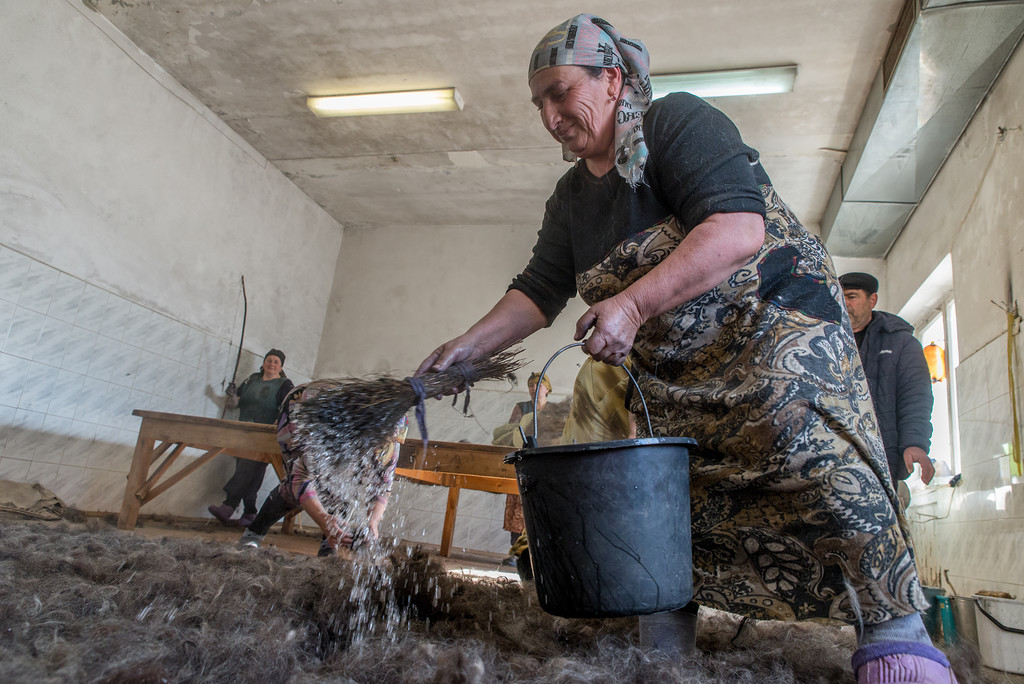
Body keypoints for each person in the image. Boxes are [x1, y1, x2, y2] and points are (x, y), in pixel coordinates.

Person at [417, 15, 956, 683]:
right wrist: (463, 350)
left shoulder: (674, 124)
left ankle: (897, 648)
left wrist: (634, 303)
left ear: (613, 80)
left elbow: (737, 227)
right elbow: (538, 290)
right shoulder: (570, 202)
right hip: (679, 382)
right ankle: (661, 661)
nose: (551, 115)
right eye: (540, 104)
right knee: (670, 510)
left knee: (825, 482)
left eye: (561, 92)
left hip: (773, 352)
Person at [239, 382, 409, 554]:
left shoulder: (391, 440)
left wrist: (373, 522)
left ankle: (329, 546)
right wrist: (323, 519)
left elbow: (383, 487)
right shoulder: (329, 428)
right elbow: (301, 477)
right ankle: (253, 534)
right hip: (301, 408)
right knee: (294, 489)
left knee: (343, 486)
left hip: (345, 419)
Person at [840, 272, 935, 507]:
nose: (845, 304)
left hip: (883, 458)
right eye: (840, 297)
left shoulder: (901, 343)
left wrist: (914, 443)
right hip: (837, 459)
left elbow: (915, 396)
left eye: (852, 297)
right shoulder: (827, 341)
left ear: (872, 300)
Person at [208, 349, 294, 527]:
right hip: (243, 431)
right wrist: (231, 395)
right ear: (263, 363)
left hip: (265, 435)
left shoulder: (285, 385)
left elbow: (291, 408)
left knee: (248, 468)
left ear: (281, 366)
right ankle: (250, 514)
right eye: (269, 360)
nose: (271, 364)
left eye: (276, 362)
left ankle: (229, 506)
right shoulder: (251, 380)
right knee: (248, 471)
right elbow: (234, 404)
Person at [491, 371, 551, 552]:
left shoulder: (554, 410)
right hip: (523, 462)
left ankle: (539, 552)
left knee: (541, 507)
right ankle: (517, 552)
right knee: (519, 503)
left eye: (538, 384)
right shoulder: (522, 407)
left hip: (545, 465)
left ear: (547, 388)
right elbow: (510, 433)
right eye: (531, 385)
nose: (534, 388)